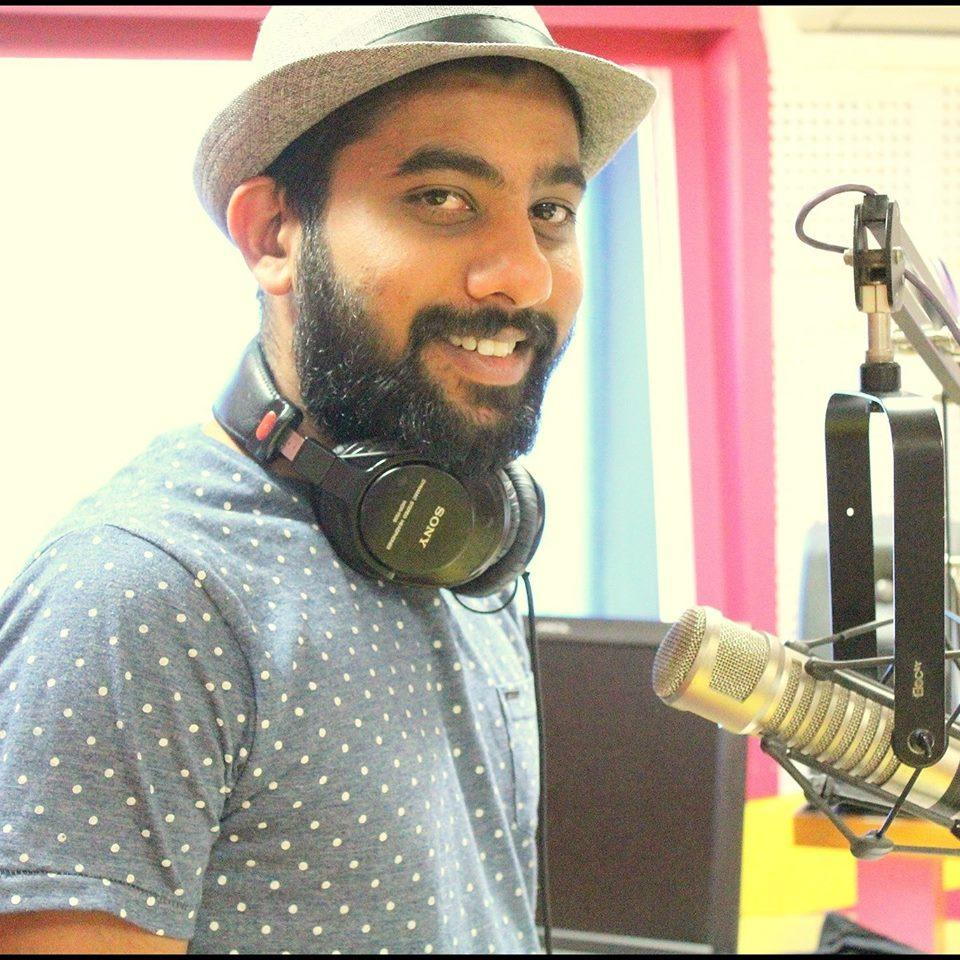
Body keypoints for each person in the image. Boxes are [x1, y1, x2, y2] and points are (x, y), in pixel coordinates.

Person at [0, 5, 654, 954]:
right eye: (441, 198)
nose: (522, 274)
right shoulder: (142, 595)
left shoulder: (452, 542)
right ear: (273, 233)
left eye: (549, 212)